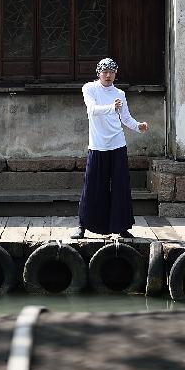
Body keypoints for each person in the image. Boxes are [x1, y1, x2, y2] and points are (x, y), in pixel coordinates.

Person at [72, 58, 149, 239]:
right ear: (98, 73)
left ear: (115, 74)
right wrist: (111, 107)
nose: (108, 75)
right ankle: (82, 225)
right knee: (92, 186)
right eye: (105, 71)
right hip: (98, 145)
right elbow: (91, 110)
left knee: (120, 186)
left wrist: (139, 126)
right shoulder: (89, 88)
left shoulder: (120, 93)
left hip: (117, 144)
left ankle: (122, 227)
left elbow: (126, 118)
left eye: (111, 72)